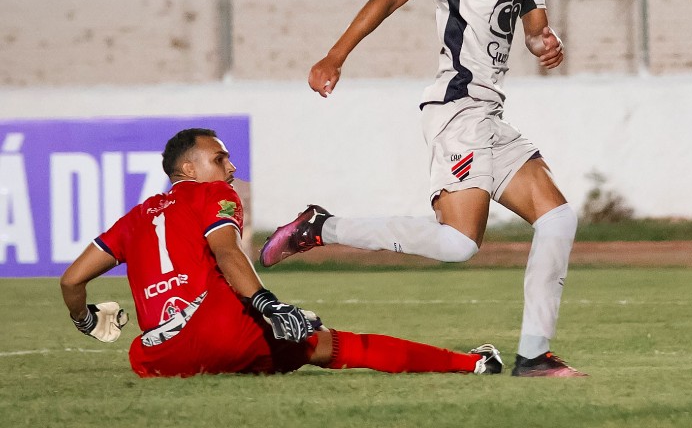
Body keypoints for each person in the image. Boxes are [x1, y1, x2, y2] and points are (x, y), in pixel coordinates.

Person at [261, 0, 584, 378]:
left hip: (490, 113)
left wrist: (543, 43)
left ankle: (533, 355)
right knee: (458, 245)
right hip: (457, 109)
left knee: (557, 219)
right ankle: (323, 227)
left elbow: (533, 25)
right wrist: (334, 56)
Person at [60, 128, 503, 378]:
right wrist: (267, 304)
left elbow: (71, 280)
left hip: (156, 357)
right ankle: (475, 363)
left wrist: (85, 319)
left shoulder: (135, 217)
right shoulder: (210, 193)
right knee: (336, 346)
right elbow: (228, 253)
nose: (231, 168)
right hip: (217, 331)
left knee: (201, 351)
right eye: (220, 159)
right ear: (190, 169)